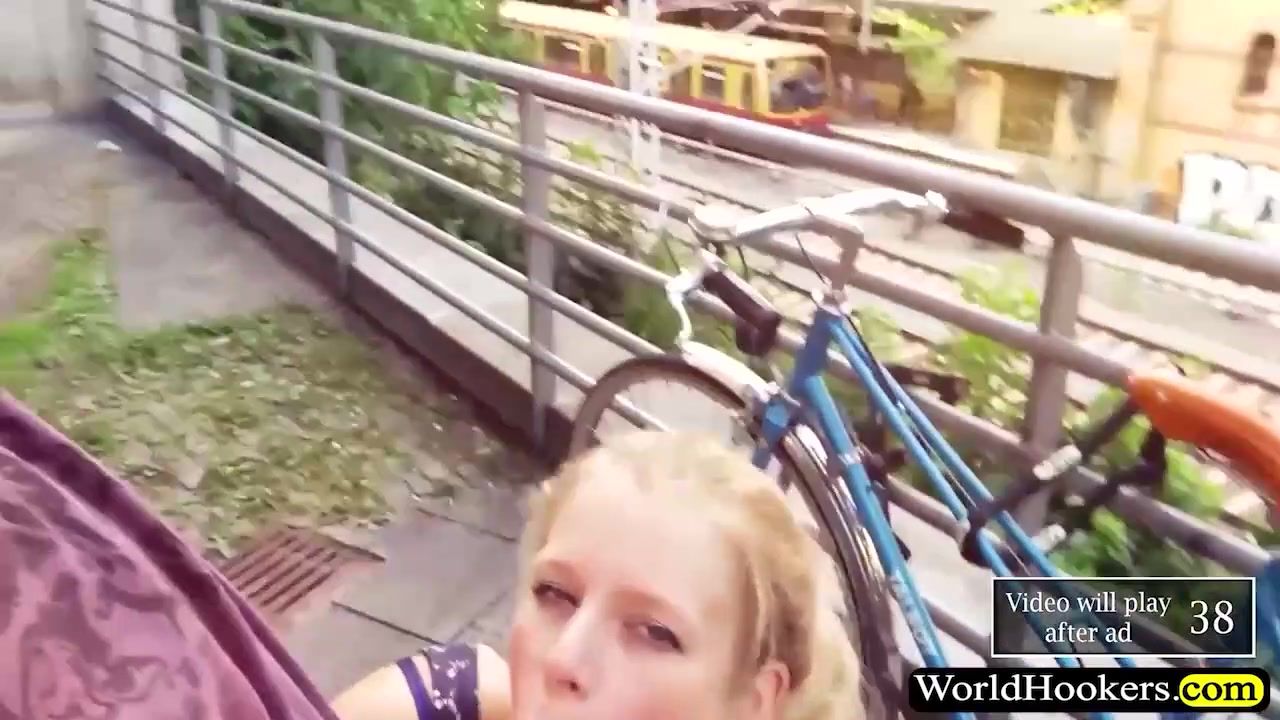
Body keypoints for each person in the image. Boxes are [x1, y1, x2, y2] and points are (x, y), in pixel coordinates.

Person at [329, 430, 863, 720]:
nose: (563, 659)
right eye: (554, 594)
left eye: (654, 632)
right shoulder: (436, 706)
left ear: (754, 703)